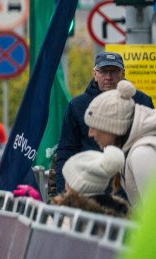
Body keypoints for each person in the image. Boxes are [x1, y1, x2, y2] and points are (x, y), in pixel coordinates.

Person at [54, 51, 154, 192]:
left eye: (113, 71)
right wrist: (63, 193)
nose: (108, 77)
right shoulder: (77, 105)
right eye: (103, 71)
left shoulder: (142, 101)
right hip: (93, 189)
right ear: (95, 74)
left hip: (132, 186)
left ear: (123, 73)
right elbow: (66, 150)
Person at [85, 79, 156, 207]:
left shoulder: (142, 154)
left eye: (94, 126)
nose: (90, 133)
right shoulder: (131, 148)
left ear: (112, 126)